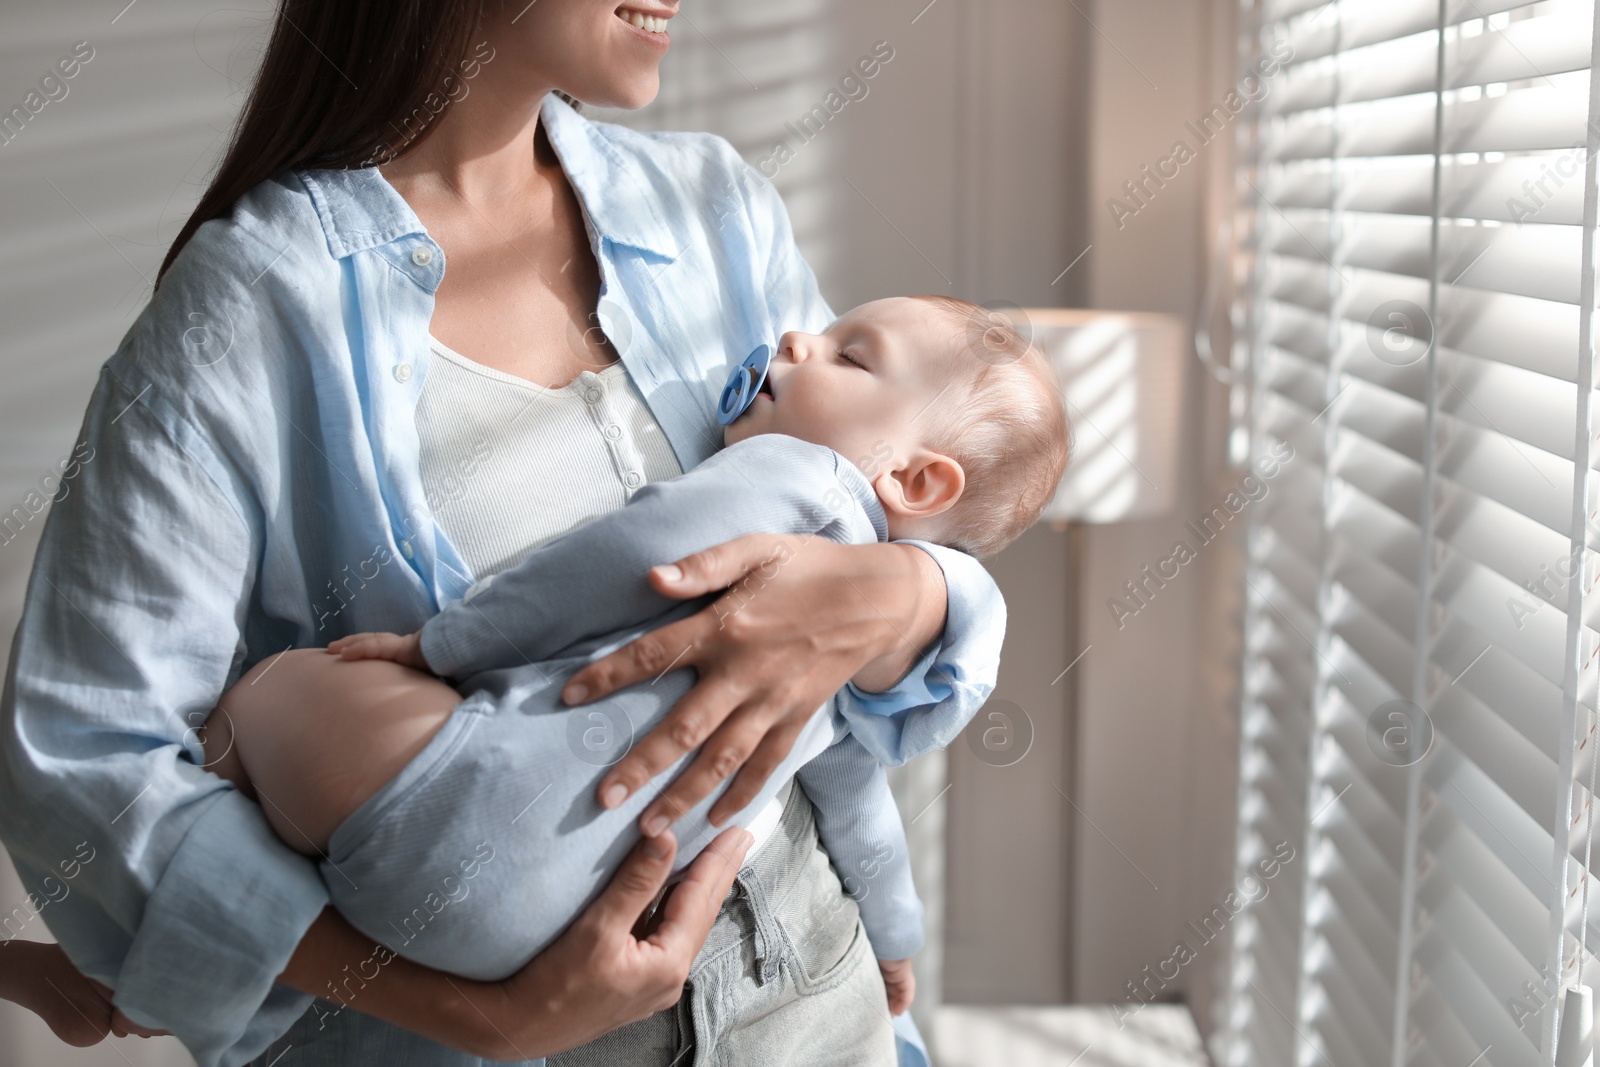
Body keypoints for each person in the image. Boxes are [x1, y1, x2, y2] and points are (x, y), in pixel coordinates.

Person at [0, 3, 1010, 1066]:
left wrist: (915, 594)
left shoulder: (713, 209)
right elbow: (90, 750)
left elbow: (896, 495)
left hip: (811, 997)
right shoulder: (253, 301)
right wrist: (473, 1014)